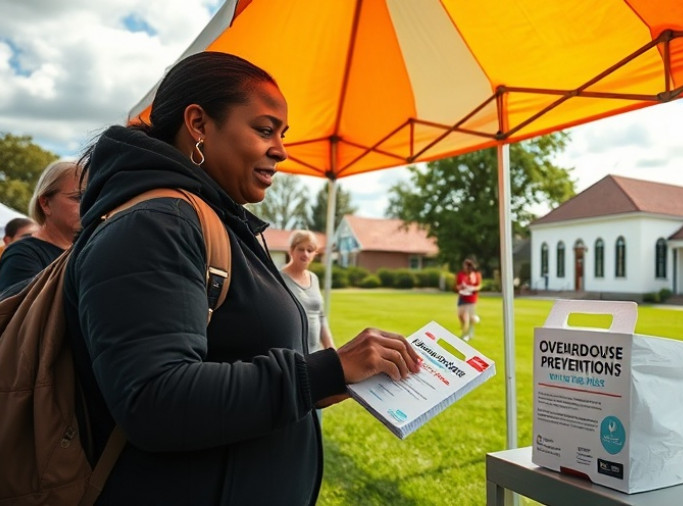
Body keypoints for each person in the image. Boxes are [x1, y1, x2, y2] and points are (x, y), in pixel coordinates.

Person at [65, 51, 419, 505]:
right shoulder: (157, 223)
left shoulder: (211, 217)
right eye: (264, 129)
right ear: (198, 124)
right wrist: (327, 370)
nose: (281, 150)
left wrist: (320, 385)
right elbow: (155, 401)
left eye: (282, 134)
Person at [0, 161, 81, 291]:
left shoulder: (88, 248)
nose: (89, 205)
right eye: (78, 197)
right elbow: (19, 307)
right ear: (45, 203)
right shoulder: (22, 253)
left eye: (93, 198)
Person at [281, 230, 335, 353]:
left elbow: (321, 317)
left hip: (315, 354)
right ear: (291, 250)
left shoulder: (314, 278)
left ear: (314, 254)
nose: (305, 253)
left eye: (310, 250)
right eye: (301, 249)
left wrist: (332, 350)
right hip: (290, 357)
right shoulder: (278, 278)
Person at [456, 258, 482, 341]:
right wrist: (460, 287)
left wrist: (472, 288)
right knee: (460, 315)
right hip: (462, 297)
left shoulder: (476, 275)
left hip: (471, 298)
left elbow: (479, 286)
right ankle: (470, 327)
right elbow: (457, 285)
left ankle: (465, 334)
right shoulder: (460, 274)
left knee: (466, 317)